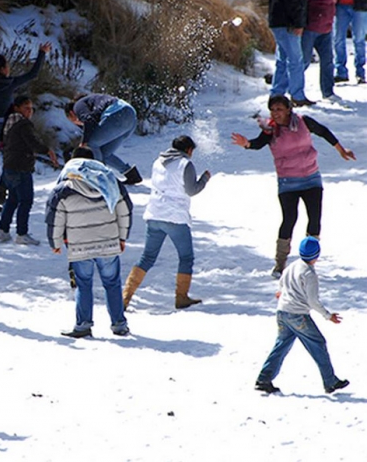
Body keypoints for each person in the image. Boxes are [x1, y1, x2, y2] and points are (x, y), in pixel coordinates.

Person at [231, 95, 356, 278]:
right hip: (288, 181)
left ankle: (308, 262)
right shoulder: (270, 129)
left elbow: (323, 132)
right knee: (289, 219)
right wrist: (247, 144)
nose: (276, 114)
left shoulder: (303, 122)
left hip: (311, 178)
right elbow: (258, 144)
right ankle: (280, 264)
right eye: (273, 110)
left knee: (314, 220)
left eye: (279, 109)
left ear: (289, 109)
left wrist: (341, 150)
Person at [46, 148, 132, 338]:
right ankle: (119, 324)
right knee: (112, 283)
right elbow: (124, 209)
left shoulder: (63, 189)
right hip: (108, 244)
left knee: (83, 284)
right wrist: (122, 237)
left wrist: (56, 242)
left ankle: (83, 325)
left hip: (79, 246)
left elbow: (55, 217)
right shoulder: (111, 182)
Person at [122, 136, 211, 310]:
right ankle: (181, 297)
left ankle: (125, 298)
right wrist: (205, 179)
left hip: (154, 215)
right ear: (189, 150)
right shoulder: (185, 164)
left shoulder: (158, 161)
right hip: (175, 217)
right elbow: (192, 190)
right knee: (186, 257)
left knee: (147, 258)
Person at [255, 236, 350, 394]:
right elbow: (312, 301)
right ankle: (330, 381)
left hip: (282, 312)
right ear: (317, 255)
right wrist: (328, 315)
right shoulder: (309, 274)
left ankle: (264, 379)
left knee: (281, 345)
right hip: (298, 315)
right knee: (318, 343)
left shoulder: (293, 266)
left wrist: (281, 293)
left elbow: (282, 283)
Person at [0, 42, 52, 214]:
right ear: (2, 69)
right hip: (3, 128)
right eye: (7, 66)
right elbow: (33, 74)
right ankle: (2, 187)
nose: (9, 68)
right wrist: (42, 53)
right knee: (11, 161)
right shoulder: (10, 82)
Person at [0, 95, 58, 246]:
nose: (30, 112)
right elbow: (33, 143)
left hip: (8, 166)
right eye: (26, 108)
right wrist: (47, 150)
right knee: (26, 200)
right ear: (17, 108)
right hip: (21, 167)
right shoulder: (23, 124)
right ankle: (21, 233)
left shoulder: (9, 122)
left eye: (31, 109)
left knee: (12, 199)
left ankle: (3, 230)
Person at [64, 93, 142, 184]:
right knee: (104, 153)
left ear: (71, 113)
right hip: (130, 118)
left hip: (118, 115)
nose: (77, 123)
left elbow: (88, 120)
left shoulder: (78, 105)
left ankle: (98, 179)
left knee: (91, 144)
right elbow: (93, 121)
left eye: (73, 120)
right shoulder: (92, 102)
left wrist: (84, 142)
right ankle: (131, 174)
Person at [268, 0, 314, 106]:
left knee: (282, 60)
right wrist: (298, 23)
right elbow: (294, 0)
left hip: (277, 20)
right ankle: (297, 96)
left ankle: (277, 94)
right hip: (288, 24)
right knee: (295, 61)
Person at [301, 0, 339, 100]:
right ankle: (290, 89)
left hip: (326, 29)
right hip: (310, 27)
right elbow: (302, 1)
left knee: (328, 61)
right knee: (304, 61)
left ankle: (328, 92)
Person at [334, 0, 367, 84]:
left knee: (359, 40)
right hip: (340, 5)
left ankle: (360, 73)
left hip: (361, 5)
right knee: (338, 39)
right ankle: (341, 72)